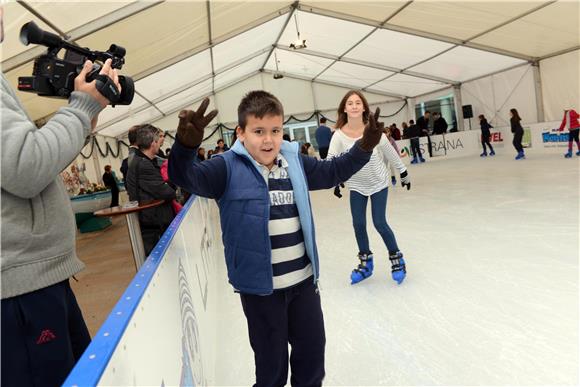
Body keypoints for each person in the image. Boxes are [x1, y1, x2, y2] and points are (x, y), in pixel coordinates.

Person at [169, 91, 382, 387]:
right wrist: (185, 147)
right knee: (271, 372)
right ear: (240, 133)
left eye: (275, 131)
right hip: (261, 293)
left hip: (304, 285)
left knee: (311, 362)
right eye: (258, 131)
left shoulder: (294, 162)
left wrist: (364, 146)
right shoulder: (225, 168)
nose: (268, 140)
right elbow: (185, 178)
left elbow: (333, 172)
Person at [1, 6, 121, 383]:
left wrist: (82, 118)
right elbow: (26, 166)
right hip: (20, 289)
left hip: (30, 279)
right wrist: (81, 107)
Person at [328, 90, 411, 287]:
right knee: (358, 224)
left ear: (364, 107)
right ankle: (366, 262)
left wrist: (403, 172)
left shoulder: (372, 131)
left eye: (358, 102)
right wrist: (334, 179)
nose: (354, 106)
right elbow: (331, 159)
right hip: (356, 185)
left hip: (378, 182)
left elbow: (390, 153)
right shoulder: (338, 136)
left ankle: (396, 257)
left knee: (379, 222)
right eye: (350, 103)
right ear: (344, 109)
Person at [126, 124, 177, 255]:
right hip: (153, 224)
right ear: (152, 143)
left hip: (154, 222)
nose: (160, 142)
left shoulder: (144, 161)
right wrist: (171, 184)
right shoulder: (143, 164)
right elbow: (167, 192)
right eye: (158, 139)